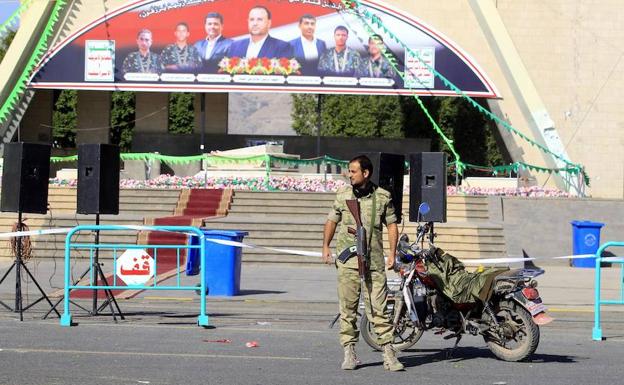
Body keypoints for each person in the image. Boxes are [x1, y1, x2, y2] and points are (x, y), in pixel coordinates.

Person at [322, 155, 404, 371]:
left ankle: (388, 352)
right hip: (348, 262)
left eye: (353, 171)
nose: (349, 175)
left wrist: (392, 254)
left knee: (379, 310)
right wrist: (325, 247)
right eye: (349, 171)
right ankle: (349, 352)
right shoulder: (343, 195)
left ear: (365, 173)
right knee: (348, 309)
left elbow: (392, 225)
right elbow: (332, 220)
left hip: (374, 264)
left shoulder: (383, 197)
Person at [226, 6, 293, 59]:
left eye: (259, 19)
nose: (255, 23)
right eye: (252, 19)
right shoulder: (235, 46)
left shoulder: (282, 47)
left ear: (269, 23)